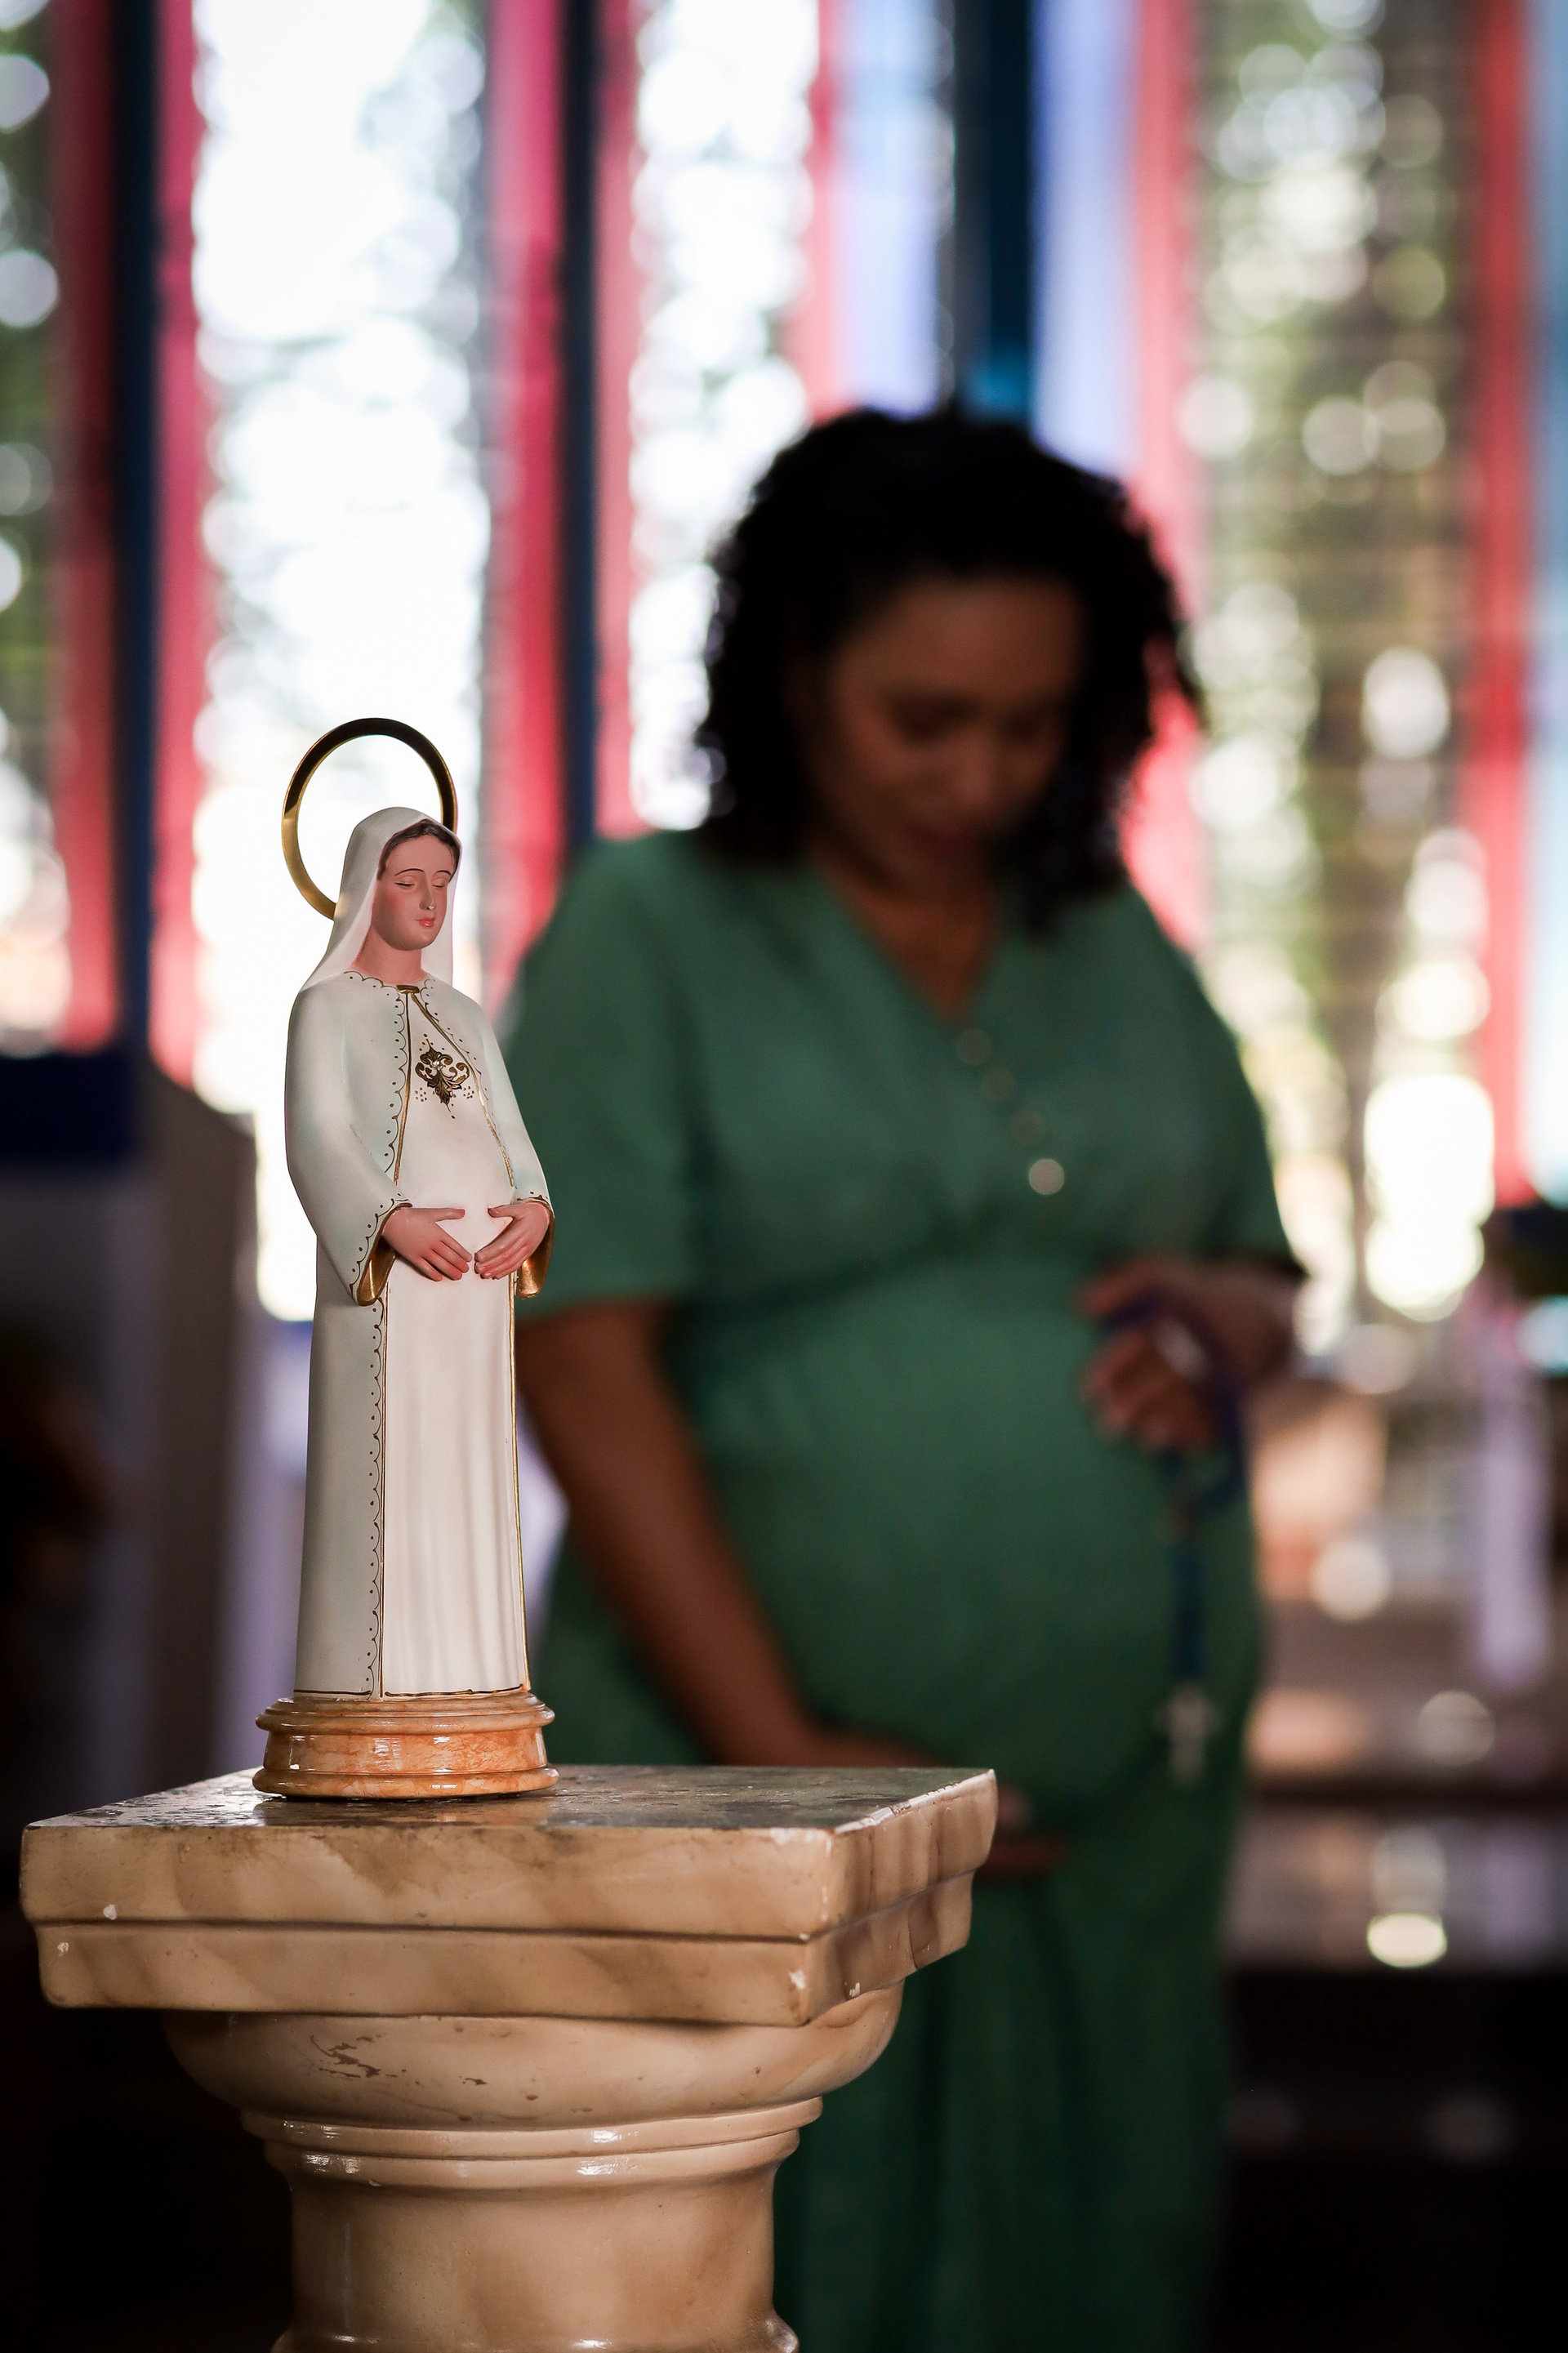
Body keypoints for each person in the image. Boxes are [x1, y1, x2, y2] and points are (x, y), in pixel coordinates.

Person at [504, 409, 1298, 2351]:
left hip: (1117, 1833)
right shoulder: (647, 933)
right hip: (751, 1802)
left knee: (1089, 2252)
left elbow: (1264, 1278)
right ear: (794, 671)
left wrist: (1219, 1314)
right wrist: (794, 1763)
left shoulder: (1109, 940)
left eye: (1032, 725)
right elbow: (580, 1363)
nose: (981, 775)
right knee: (782, 2257)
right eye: (924, 719)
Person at [285, 807, 552, 1698]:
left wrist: (533, 1207)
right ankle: (383, 1684)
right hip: (389, 1288)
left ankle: (473, 1676)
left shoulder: (465, 1014)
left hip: (476, 1288)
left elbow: (509, 1129)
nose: (430, 901)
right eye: (409, 882)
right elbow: (317, 1135)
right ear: (367, 891)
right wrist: (389, 1221)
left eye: (442, 883)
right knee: (393, 1473)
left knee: (469, 1472)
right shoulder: (325, 1009)